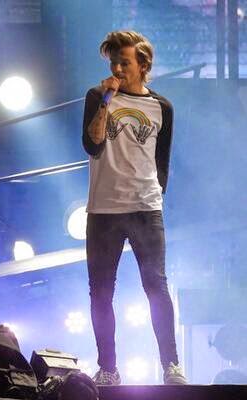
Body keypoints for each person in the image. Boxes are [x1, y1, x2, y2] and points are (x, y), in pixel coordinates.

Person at [82, 31, 186, 385]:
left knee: (156, 285)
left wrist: (155, 193)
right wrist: (106, 100)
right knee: (101, 292)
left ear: (143, 65)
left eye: (124, 62)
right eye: (113, 62)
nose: (117, 68)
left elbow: (162, 160)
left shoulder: (162, 107)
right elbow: (92, 145)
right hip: (104, 210)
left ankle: (171, 365)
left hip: (145, 208)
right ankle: (108, 368)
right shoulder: (97, 96)